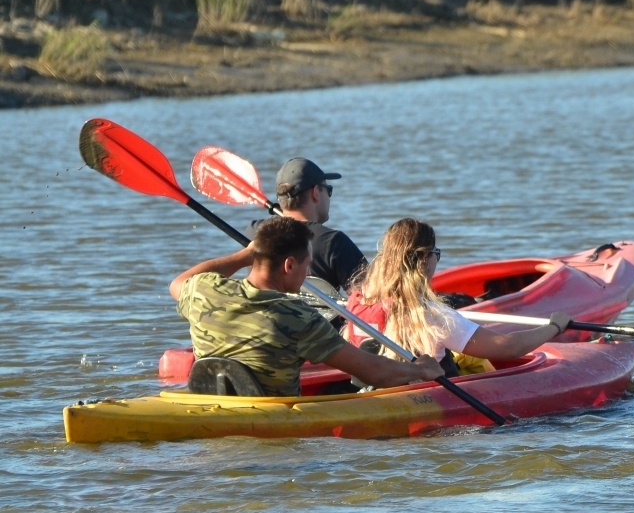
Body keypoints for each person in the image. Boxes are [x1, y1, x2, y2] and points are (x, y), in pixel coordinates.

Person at [170, 216, 445, 396]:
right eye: (306, 265)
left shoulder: (205, 292)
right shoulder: (300, 319)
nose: (306, 274)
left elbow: (179, 282)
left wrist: (244, 256)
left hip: (209, 408)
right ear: (289, 265)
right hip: (275, 428)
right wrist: (420, 370)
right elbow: (373, 372)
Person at [344, 218, 570, 376]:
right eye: (436, 254)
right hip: (426, 397)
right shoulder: (430, 315)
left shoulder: (358, 302)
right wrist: (555, 327)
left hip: (378, 390)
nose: (436, 260)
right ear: (424, 258)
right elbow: (509, 348)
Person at [246, 157, 366, 295]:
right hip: (318, 317)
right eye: (328, 190)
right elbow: (373, 298)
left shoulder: (254, 231)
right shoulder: (333, 242)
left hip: (266, 314)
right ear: (316, 192)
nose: (329, 196)